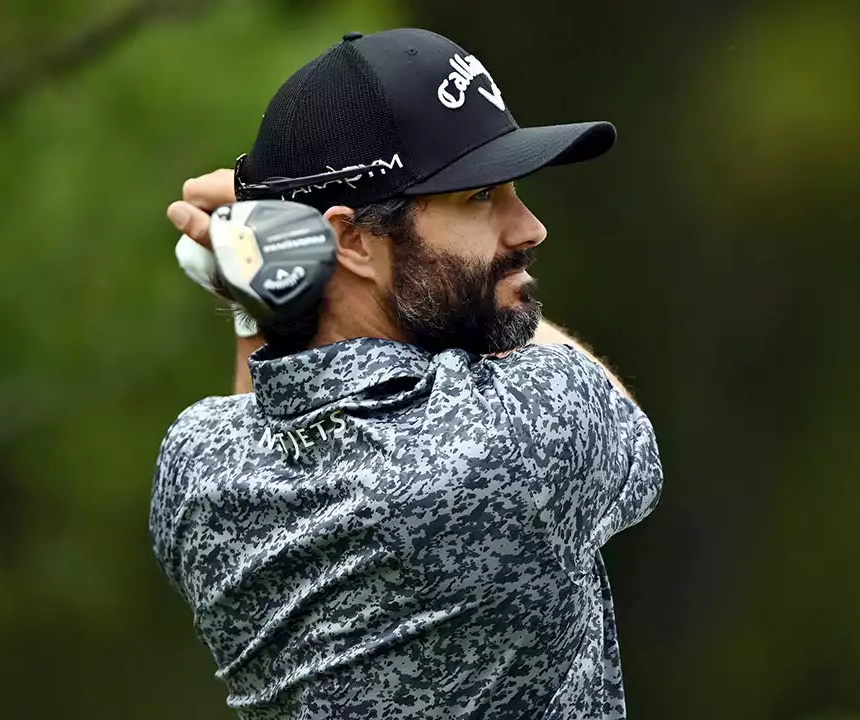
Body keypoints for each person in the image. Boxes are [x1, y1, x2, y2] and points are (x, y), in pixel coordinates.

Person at [149, 28, 663, 720]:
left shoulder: (196, 469)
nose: (528, 227)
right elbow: (619, 411)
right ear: (354, 241)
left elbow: (260, 420)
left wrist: (261, 296)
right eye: (481, 196)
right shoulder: (516, 438)